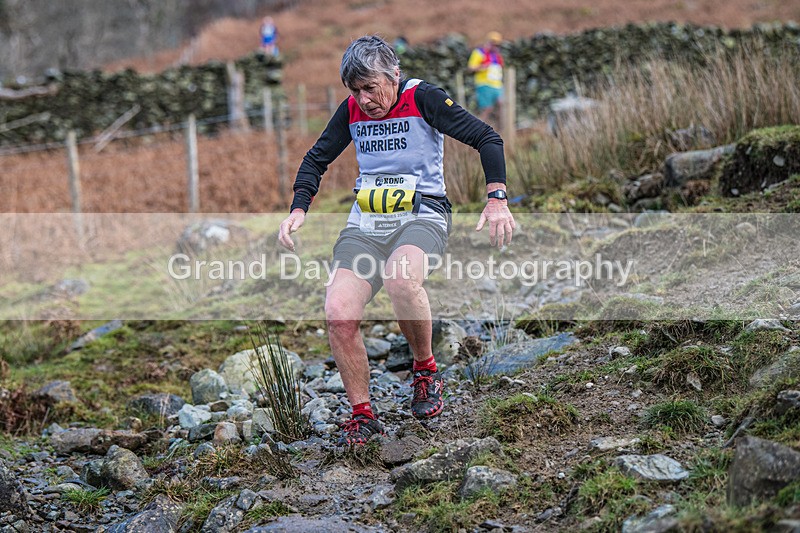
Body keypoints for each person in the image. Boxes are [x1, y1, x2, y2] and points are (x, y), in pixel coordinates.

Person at [278, 35, 515, 446]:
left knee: (400, 279)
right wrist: (299, 207)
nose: (364, 99)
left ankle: (425, 371)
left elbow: (487, 138)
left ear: (394, 75)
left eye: (371, 87)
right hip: (367, 223)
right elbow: (317, 157)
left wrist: (496, 198)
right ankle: (363, 415)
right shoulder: (351, 110)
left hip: (422, 215)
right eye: (355, 90)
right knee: (338, 312)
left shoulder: (422, 97)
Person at [468, 31, 505, 127]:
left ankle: (500, 129)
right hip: (484, 84)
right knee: (487, 109)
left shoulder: (497, 55)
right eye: (494, 44)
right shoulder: (479, 53)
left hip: (497, 85)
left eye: (498, 45)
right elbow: (471, 67)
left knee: (502, 105)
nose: (496, 47)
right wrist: (482, 67)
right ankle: (478, 128)